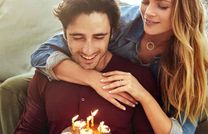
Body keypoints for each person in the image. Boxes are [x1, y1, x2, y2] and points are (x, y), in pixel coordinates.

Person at [2, 0, 208, 133]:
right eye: (146, 1)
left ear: (184, 12)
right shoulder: (122, 20)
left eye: (162, 6)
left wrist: (142, 94)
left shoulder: (187, 63)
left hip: (164, 103)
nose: (148, 12)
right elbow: (43, 54)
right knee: (13, 87)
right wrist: (95, 79)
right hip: (92, 74)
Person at [14, 0, 157, 133]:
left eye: (99, 37)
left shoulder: (138, 80)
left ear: (112, 33)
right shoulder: (47, 75)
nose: (88, 50)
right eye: (78, 37)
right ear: (64, 33)